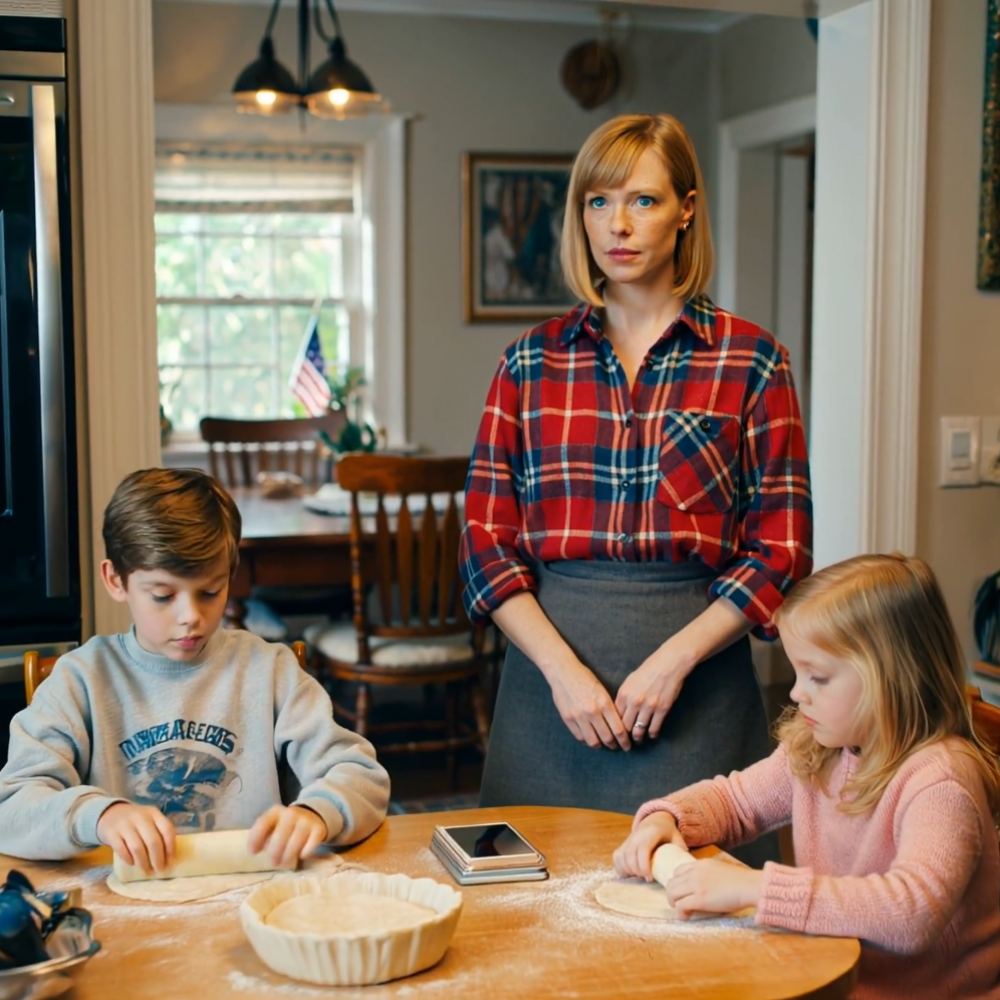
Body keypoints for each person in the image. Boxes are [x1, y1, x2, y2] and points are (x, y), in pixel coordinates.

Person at [459, 113, 811, 866]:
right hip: (548, 694)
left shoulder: (752, 362)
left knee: (702, 915)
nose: (617, 225)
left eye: (643, 200)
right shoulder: (527, 364)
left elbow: (780, 550)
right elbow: (485, 546)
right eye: (598, 201)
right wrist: (564, 674)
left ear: (686, 209)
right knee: (526, 909)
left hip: (698, 695)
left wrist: (673, 661)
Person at [614, 554, 1000, 1000]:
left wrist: (756, 888)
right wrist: (669, 819)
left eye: (817, 677)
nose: (797, 692)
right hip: (830, 975)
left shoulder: (941, 781)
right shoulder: (818, 749)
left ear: (892, 678)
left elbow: (911, 914)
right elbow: (737, 802)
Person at [0, 468, 390, 873]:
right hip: (124, 904)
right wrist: (97, 816)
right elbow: (11, 807)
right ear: (116, 580)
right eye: (162, 596)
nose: (190, 616)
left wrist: (316, 813)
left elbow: (362, 776)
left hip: (255, 894)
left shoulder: (270, 672)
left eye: (210, 591)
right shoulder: (80, 680)